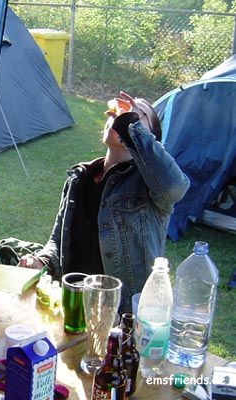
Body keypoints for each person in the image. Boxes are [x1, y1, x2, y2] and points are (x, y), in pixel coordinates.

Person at [19, 92, 190, 312]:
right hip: (71, 304)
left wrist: (131, 126)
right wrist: (41, 261)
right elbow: (57, 241)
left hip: (121, 314)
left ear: (150, 139)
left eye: (139, 115)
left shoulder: (151, 186)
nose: (123, 116)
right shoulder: (79, 178)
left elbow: (175, 187)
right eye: (118, 114)